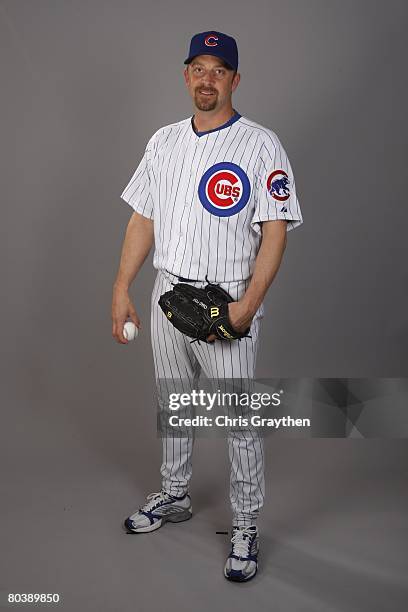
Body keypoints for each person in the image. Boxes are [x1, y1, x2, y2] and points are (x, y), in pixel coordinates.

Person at [112, 30, 303, 582]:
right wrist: (122, 286)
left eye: (219, 70)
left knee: (239, 419)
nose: (207, 78)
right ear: (185, 74)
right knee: (175, 403)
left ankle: (245, 524)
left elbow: (275, 234)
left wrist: (248, 306)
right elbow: (142, 218)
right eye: (198, 67)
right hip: (169, 291)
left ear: (235, 80)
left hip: (227, 299)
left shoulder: (263, 145)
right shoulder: (164, 141)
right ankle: (174, 494)